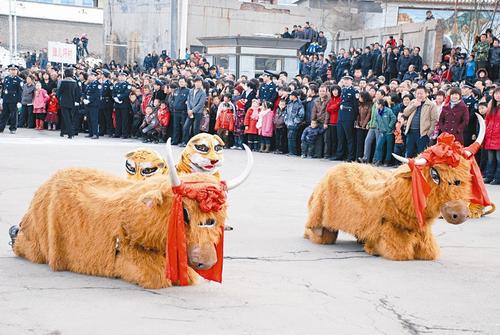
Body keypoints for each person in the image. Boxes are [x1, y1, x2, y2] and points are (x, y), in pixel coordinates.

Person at [403, 86, 438, 158]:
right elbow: (405, 113)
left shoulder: (431, 105)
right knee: (409, 153)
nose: (419, 95)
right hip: (410, 132)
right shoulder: (413, 102)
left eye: (421, 93)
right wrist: (414, 106)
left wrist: (428, 134)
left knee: (421, 154)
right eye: (417, 93)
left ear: (426, 94)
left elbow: (434, 121)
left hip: (422, 133)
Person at [336, 75, 359, 162]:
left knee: (349, 137)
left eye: (347, 80)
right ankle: (340, 154)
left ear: (351, 81)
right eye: (344, 80)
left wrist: (355, 117)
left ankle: (350, 156)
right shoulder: (343, 90)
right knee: (340, 136)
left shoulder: (354, 91)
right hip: (341, 115)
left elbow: (355, 105)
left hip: (349, 116)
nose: (345, 82)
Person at [181, 76, 207, 146]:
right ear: (194, 83)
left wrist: (192, 111)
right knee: (186, 126)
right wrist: (189, 110)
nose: (198, 84)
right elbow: (188, 101)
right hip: (190, 112)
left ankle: (196, 143)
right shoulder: (191, 91)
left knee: (196, 128)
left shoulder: (203, 93)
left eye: (200, 82)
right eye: (197, 82)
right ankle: (185, 142)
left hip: (198, 113)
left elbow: (200, 104)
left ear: (201, 83)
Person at [57, 68, 81, 139]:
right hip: (72, 102)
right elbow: (78, 92)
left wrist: (58, 99)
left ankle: (70, 133)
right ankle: (63, 131)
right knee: (69, 117)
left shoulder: (63, 82)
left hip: (64, 102)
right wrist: (77, 101)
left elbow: (59, 92)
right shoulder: (75, 82)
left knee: (66, 118)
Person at [0, 65, 23, 134]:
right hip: (6, 99)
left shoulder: (19, 80)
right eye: (11, 70)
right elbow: (3, 89)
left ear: (17, 71)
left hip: (14, 100)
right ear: (9, 70)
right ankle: (1, 127)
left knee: (13, 115)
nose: (13, 71)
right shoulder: (6, 78)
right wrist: (1, 98)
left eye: (14, 70)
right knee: (4, 114)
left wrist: (19, 101)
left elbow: (20, 92)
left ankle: (13, 128)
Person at [484, 88, 500, 185]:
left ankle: (497, 178)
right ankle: (489, 176)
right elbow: (487, 121)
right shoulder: (491, 107)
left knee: (499, 159)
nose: (498, 95)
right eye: (496, 93)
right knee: (490, 159)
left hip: (498, 137)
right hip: (490, 137)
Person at [373, 99, 396, 166]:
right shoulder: (376, 111)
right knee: (379, 146)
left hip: (389, 133)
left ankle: (387, 161)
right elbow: (375, 120)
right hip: (382, 132)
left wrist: (390, 126)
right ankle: (379, 160)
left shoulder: (388, 111)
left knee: (389, 147)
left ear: (380, 105)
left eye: (377, 104)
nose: (376, 105)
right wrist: (378, 127)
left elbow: (393, 118)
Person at [284, 90, 305, 156]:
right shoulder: (289, 103)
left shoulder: (299, 104)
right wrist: (286, 120)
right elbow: (286, 113)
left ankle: (293, 152)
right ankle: (291, 152)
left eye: (291, 95)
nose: (290, 96)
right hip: (288, 123)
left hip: (294, 124)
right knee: (289, 138)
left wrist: (295, 122)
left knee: (292, 138)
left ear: (294, 96)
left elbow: (301, 115)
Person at [113, 71, 132, 138]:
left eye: (123, 76)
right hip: (117, 104)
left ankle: (124, 134)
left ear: (126, 77)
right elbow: (113, 92)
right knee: (118, 119)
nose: (121, 77)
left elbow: (127, 93)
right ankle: (117, 133)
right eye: (120, 76)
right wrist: (115, 98)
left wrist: (119, 97)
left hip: (124, 104)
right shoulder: (116, 84)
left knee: (124, 120)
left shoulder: (128, 85)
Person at [82, 70, 101, 139]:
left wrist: (89, 100)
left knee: (94, 119)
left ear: (94, 76)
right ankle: (91, 133)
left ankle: (95, 134)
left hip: (94, 104)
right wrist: (84, 99)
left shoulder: (97, 84)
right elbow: (85, 92)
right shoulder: (89, 84)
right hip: (88, 104)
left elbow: (97, 94)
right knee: (89, 119)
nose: (89, 77)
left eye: (90, 76)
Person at [355, 91, 373, 161]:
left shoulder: (369, 105)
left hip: (365, 127)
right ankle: (358, 157)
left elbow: (368, 116)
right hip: (359, 125)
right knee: (359, 142)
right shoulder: (359, 105)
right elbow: (358, 115)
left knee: (365, 142)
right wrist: (357, 123)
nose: (359, 98)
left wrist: (363, 125)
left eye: (360, 97)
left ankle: (365, 157)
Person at [325, 85, 341, 160]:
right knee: (329, 139)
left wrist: (334, 107)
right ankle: (329, 153)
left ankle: (334, 154)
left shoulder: (340, 99)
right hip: (330, 122)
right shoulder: (330, 99)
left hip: (337, 122)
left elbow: (333, 108)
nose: (335, 92)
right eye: (333, 90)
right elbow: (328, 109)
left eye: (336, 90)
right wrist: (335, 106)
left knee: (335, 140)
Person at [99, 69, 114, 136]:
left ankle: (110, 131)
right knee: (101, 117)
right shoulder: (101, 83)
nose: (100, 75)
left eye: (102, 74)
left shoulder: (109, 83)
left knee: (108, 118)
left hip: (107, 102)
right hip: (101, 101)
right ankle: (102, 131)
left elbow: (111, 94)